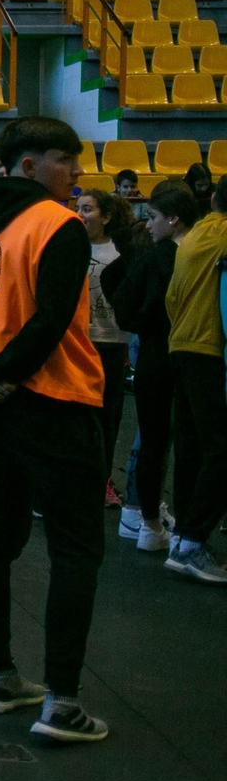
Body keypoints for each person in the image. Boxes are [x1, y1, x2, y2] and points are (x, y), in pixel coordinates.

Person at [0, 118, 108, 742]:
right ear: (25, 166)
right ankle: (63, 701)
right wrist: (0, 380)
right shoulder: (59, 226)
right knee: (76, 548)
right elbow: (46, 326)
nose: (75, 172)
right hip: (56, 401)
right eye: (62, 160)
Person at [108, 184, 196, 551]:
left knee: (153, 440)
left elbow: (116, 286)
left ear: (173, 219)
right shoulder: (200, 254)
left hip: (156, 354)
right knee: (190, 444)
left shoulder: (152, 257)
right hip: (192, 356)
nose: (149, 224)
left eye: (154, 217)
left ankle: (149, 522)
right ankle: (186, 530)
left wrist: (144, 322)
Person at [162, 181, 227, 583]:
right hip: (210, 350)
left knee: (191, 448)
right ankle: (191, 541)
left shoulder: (197, 233)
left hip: (182, 344)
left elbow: (172, 297)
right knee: (222, 449)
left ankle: (182, 538)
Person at [75, 189, 136, 508]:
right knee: (75, 416)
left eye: (88, 209)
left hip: (111, 342)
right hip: (76, 342)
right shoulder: (72, 246)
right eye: (78, 208)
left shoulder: (120, 252)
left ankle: (103, 481)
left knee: (108, 418)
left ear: (106, 217)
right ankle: (75, 479)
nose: (81, 214)